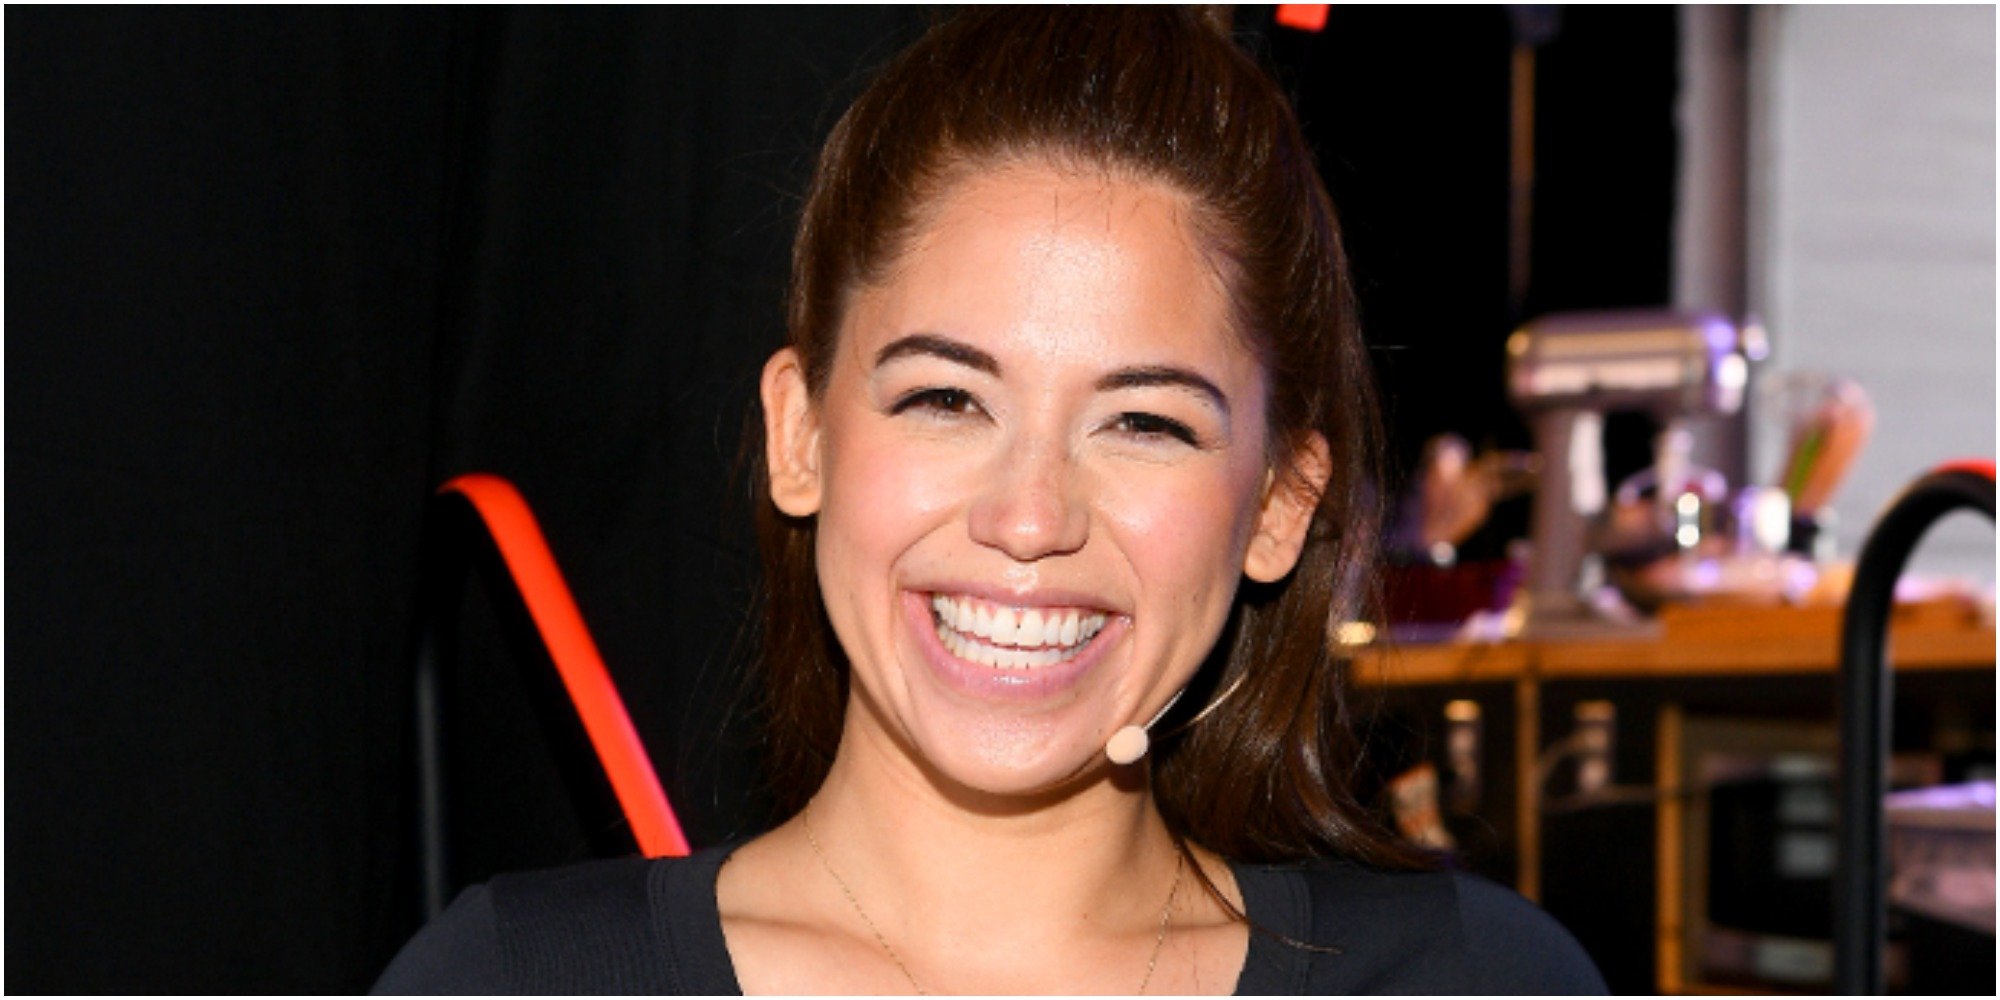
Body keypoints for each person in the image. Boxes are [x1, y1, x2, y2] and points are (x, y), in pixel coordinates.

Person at [376, 8, 1604, 994]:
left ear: (1279, 505)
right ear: (799, 434)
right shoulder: (511, 980)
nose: (1028, 519)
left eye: (1143, 422)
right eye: (946, 400)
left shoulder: (1474, 978)